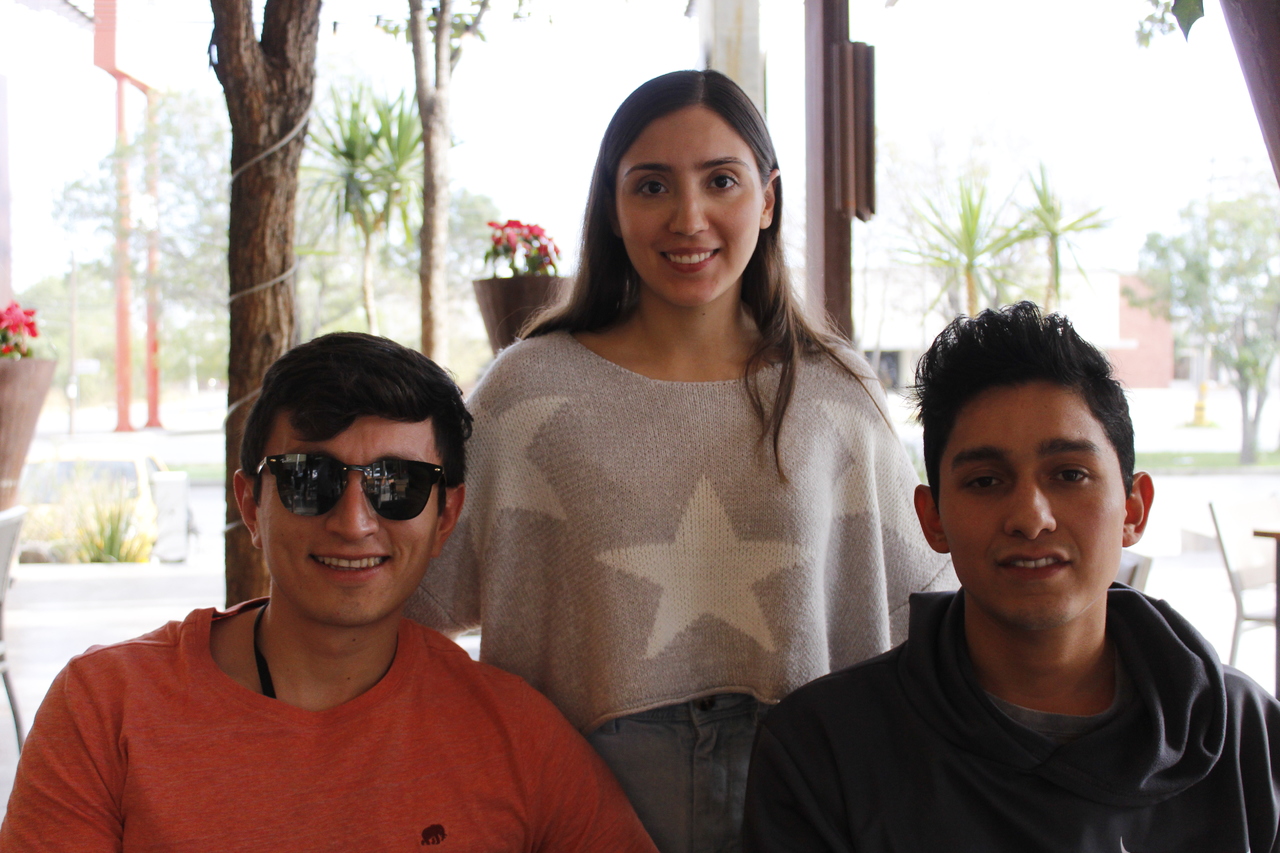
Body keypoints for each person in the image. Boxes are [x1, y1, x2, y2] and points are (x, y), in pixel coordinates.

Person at [406, 70, 952, 852]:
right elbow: (414, 591)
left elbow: (924, 608)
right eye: (652, 185)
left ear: (767, 199)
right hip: (583, 801)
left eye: (720, 180)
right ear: (612, 205)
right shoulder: (526, 393)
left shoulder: (836, 393)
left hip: (802, 793)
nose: (688, 217)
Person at [0, 332, 657, 853]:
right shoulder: (104, 709)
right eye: (309, 478)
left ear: (445, 517)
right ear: (250, 505)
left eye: (396, 484)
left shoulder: (515, 735)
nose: (353, 521)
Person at [742, 302, 1280, 852]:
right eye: (985, 481)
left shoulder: (1245, 736)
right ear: (932, 519)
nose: (1030, 517)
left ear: (1134, 509)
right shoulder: (824, 752)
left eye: (1070, 474)